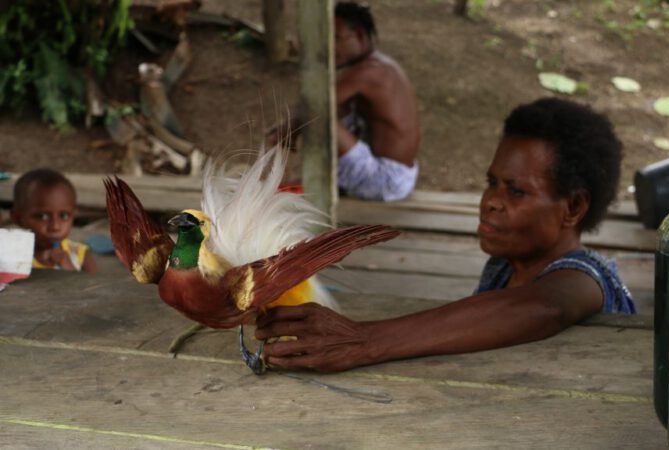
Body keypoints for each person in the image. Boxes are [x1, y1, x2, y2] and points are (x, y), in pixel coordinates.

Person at [254, 98, 636, 372]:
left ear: (573, 208)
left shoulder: (588, 278)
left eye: (515, 191)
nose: (491, 202)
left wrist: (364, 341)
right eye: (492, 183)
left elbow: (546, 306)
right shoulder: (504, 268)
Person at [272, 2, 421, 202]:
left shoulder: (369, 72)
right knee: (334, 111)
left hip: (385, 179)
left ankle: (317, 182)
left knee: (319, 113)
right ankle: (322, 181)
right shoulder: (380, 66)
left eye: (336, 38)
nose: (330, 46)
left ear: (359, 35)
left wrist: (287, 131)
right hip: (399, 177)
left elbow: (316, 105)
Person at [11, 169, 97, 272]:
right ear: (18, 218)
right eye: (43, 216)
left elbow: (97, 287)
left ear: (74, 215)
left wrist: (69, 268)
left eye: (64, 216)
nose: (55, 226)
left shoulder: (80, 255)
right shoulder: (12, 258)